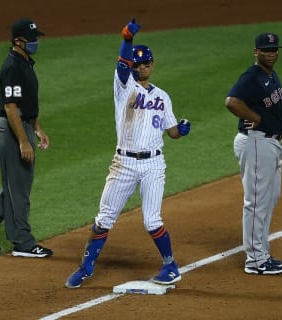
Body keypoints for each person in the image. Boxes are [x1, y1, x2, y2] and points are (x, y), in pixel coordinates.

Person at [65, 19, 191, 288]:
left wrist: (182, 129)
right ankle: (86, 267)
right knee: (104, 219)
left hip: (154, 164)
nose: (142, 67)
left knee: (152, 220)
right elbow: (122, 65)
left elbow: (172, 132)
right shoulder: (124, 87)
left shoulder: (163, 96)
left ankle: (170, 265)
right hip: (123, 163)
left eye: (147, 63)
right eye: (138, 64)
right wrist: (127, 39)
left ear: (152, 65)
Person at [0, 18, 53, 258]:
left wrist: (37, 128)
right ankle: (23, 243)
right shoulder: (12, 66)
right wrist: (23, 141)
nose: (36, 42)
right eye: (32, 39)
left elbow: (26, 104)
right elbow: (11, 107)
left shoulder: (25, 63)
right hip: (11, 129)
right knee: (19, 188)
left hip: (21, 126)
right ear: (18, 41)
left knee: (17, 185)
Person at [225, 32, 282, 275]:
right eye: (266, 49)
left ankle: (262, 252)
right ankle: (255, 260)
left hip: (270, 145)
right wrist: (255, 118)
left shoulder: (271, 75)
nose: (271, 53)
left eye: (274, 49)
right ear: (256, 52)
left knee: (270, 198)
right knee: (256, 201)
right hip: (257, 144)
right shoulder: (251, 77)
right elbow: (232, 102)